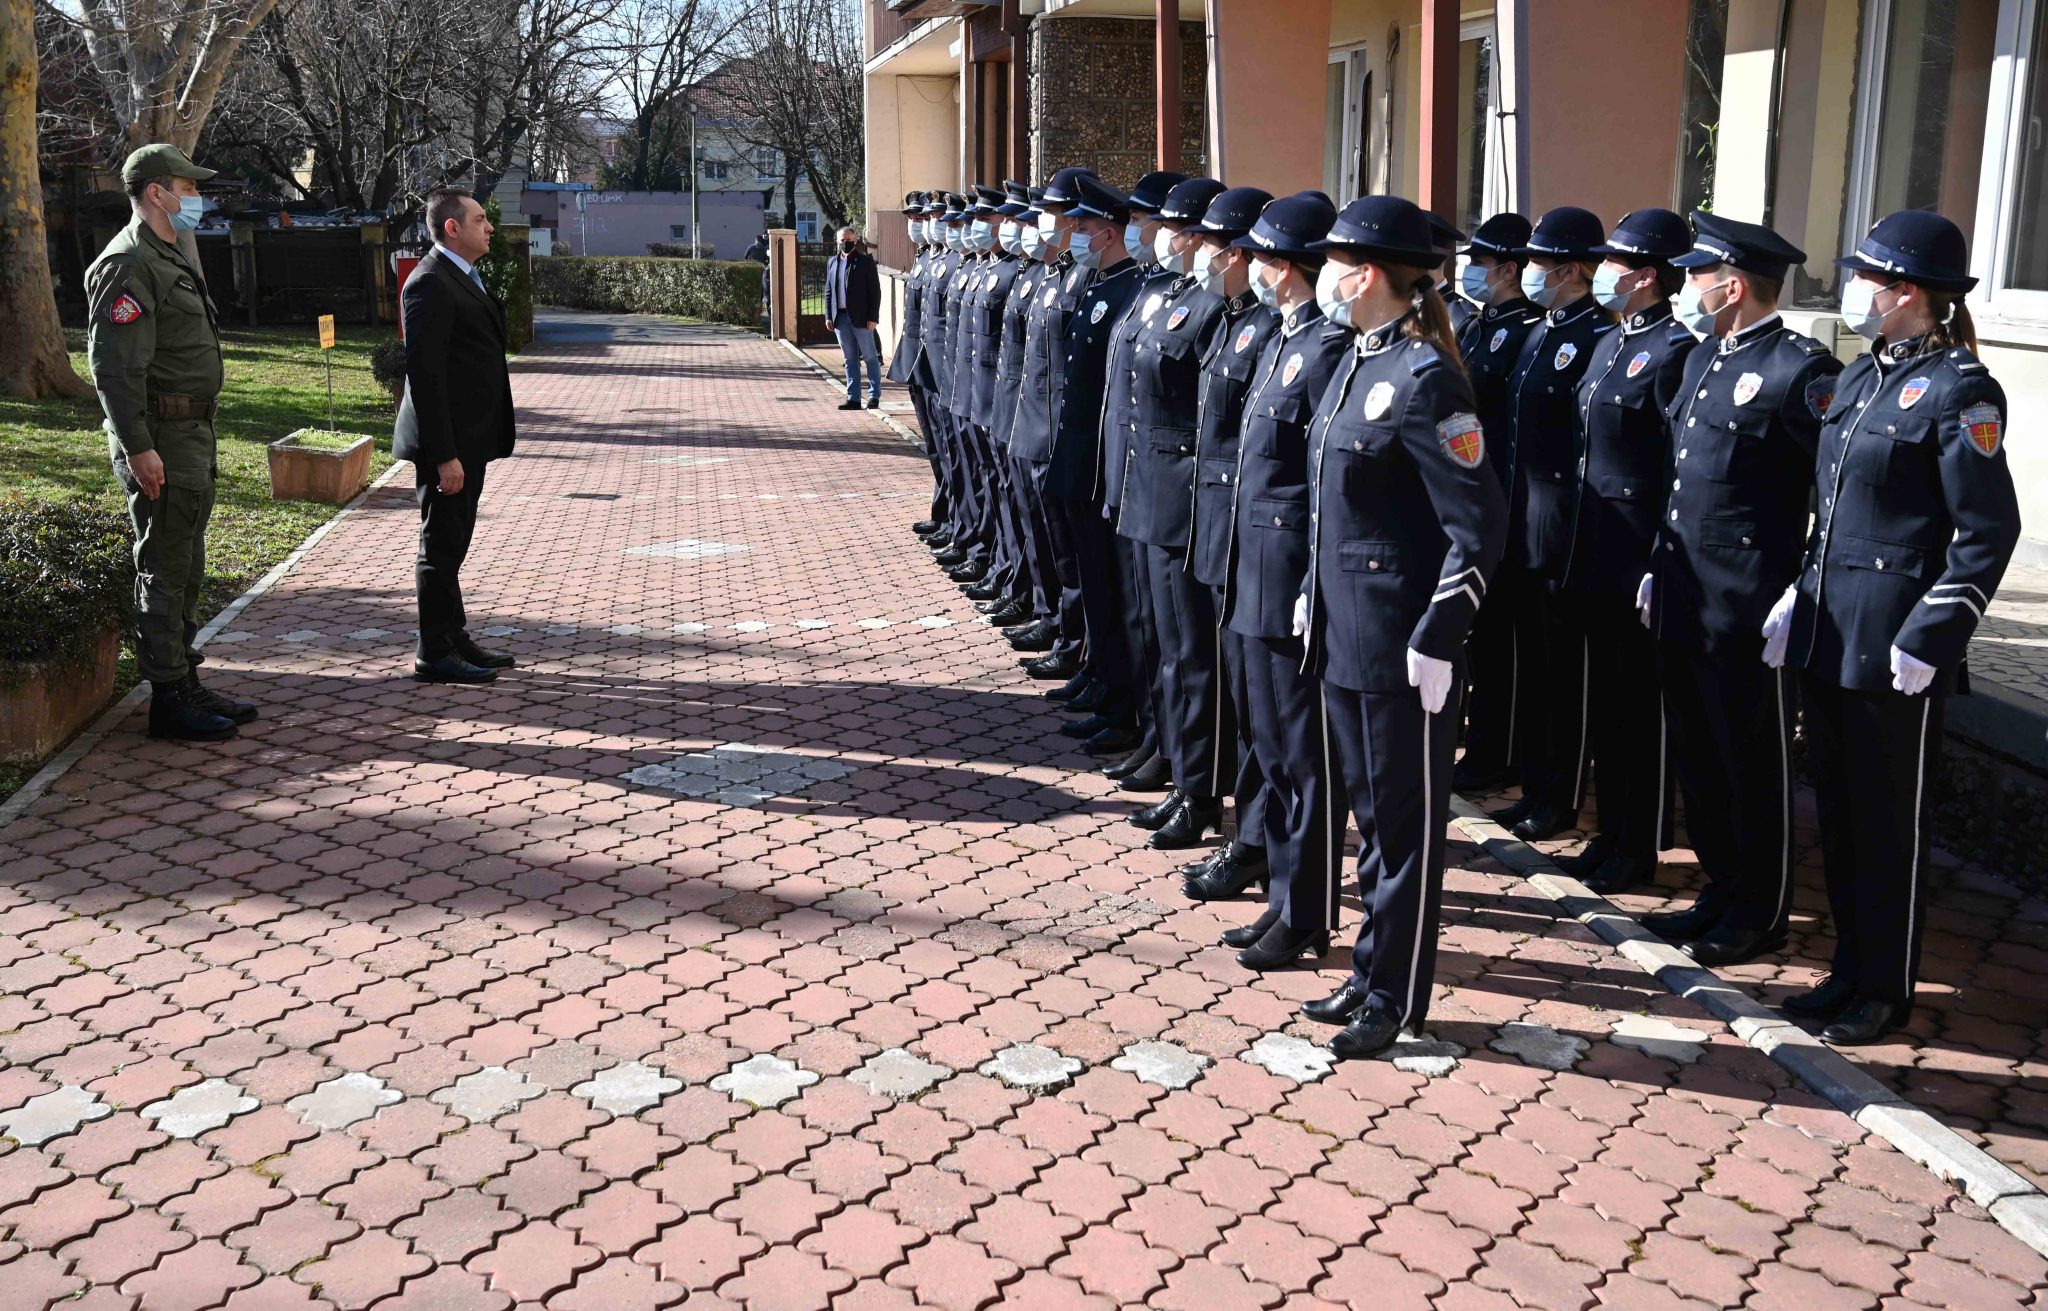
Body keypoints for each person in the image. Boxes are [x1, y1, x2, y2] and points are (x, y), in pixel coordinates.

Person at [1775, 210, 2020, 1044]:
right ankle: (1849, 967)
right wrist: (1797, 596)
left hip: (1897, 644)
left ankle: (1885, 985)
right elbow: (1835, 510)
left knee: (1889, 822)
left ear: (1906, 291)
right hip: (1833, 630)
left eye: (1867, 277)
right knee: (1841, 814)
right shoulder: (1860, 376)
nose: (1853, 290)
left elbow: (1988, 530)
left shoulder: (1962, 389)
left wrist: (1936, 632)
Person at [1295, 195, 1508, 1057]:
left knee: (1405, 827)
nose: (1328, 277)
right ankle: (1368, 970)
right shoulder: (1357, 362)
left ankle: (1398, 995)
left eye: (1339, 261)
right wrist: (1314, 590)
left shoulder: (1427, 379)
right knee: (1368, 816)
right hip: (1346, 630)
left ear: (1370, 271)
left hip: (1400, 642)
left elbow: (1481, 525)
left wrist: (1440, 633)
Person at [1640, 212, 1842, 966]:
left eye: (1696, 273)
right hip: (1690, 590)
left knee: (1750, 761)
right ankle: (1721, 887)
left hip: (1752, 602)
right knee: (1699, 752)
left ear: (1732, 283)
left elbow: (1835, 487)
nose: (1686, 285)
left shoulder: (1800, 370)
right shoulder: (1703, 359)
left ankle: (1760, 908)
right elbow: (1683, 476)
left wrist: (1804, 584)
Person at [1205, 192, 1355, 968]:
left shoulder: (1327, 348)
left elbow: (1320, 479)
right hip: (1251, 568)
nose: (1250, 267)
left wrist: (1308, 582)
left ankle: (1308, 912)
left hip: (1288, 570)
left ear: (1286, 267)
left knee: (1303, 755)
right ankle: (1282, 898)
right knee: (1269, 742)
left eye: (1261, 255)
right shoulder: (1282, 337)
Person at [85, 143, 254, 741]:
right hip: (159, 436)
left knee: (186, 560)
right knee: (163, 562)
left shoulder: (167, 253)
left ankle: (183, 678)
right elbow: (114, 368)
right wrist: (138, 446)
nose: (195, 198)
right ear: (157, 192)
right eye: (187, 187)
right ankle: (167, 696)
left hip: (191, 432)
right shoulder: (128, 263)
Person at [1552, 209, 1694, 894]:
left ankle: (1640, 843)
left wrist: (1660, 557)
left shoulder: (1675, 350)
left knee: (1639, 708)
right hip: (1596, 550)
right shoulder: (1613, 343)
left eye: (1615, 263)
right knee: (1608, 700)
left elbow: (1678, 464)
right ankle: (1612, 832)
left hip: (1637, 554)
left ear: (1644, 275)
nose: (1603, 272)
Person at [1488, 207, 1614, 843]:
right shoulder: (1543, 330)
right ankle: (1537, 787)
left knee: (1563, 676)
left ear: (1569, 270)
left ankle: (1559, 796)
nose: (1529, 272)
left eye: (1540, 262)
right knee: (1535, 670)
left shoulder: (1596, 335)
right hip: (1522, 518)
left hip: (1561, 527)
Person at [393, 186, 519, 685]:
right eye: (480, 219)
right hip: (447, 444)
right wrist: (444, 456)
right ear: (452, 228)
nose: (489, 227)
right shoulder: (429, 283)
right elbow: (426, 376)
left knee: (454, 542)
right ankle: (433, 652)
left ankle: (453, 634)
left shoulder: (461, 274)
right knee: (440, 545)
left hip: (470, 438)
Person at [1449, 213, 1540, 790]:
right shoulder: (1480, 326)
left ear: (1508, 268)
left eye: (1479, 264)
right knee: (1481, 640)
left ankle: (1499, 753)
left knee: (1507, 647)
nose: (1469, 273)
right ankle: (1484, 745)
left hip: (1509, 503)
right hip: (1474, 503)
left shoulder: (1526, 329)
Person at [826, 226, 884, 411]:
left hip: (862, 319)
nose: (845, 243)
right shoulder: (832, 262)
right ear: (836, 241)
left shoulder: (865, 262)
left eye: (849, 240)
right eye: (842, 240)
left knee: (870, 357)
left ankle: (874, 396)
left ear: (856, 241)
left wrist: (873, 317)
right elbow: (828, 291)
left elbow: (875, 292)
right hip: (840, 319)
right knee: (850, 359)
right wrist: (828, 315)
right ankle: (853, 398)